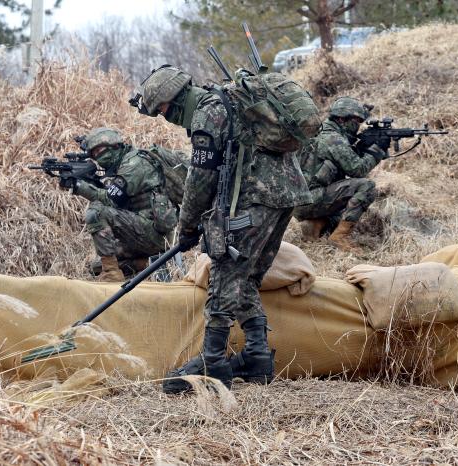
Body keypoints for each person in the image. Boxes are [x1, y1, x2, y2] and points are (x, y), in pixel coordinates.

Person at [130, 65, 313, 393]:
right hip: (285, 195)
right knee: (246, 278)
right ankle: (257, 356)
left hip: (256, 198)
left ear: (172, 103)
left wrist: (186, 227)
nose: (165, 118)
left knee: (225, 271)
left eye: (162, 112)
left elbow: (200, 180)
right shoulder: (226, 101)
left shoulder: (207, 116)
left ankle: (212, 363)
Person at [61, 127, 178, 281]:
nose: (98, 157)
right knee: (96, 267)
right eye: (94, 154)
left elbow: (110, 199)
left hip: (155, 235)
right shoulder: (123, 163)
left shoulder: (134, 164)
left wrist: (79, 186)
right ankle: (145, 264)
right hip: (145, 232)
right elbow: (118, 201)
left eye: (100, 151)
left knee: (97, 212)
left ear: (115, 146)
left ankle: (112, 276)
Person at [293, 97, 389, 252]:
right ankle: (340, 237)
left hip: (299, 201)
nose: (358, 126)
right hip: (310, 199)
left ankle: (314, 224)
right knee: (367, 187)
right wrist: (377, 151)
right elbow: (358, 170)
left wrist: (361, 148)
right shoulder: (334, 140)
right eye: (356, 121)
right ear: (342, 119)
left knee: (339, 217)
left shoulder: (322, 131)